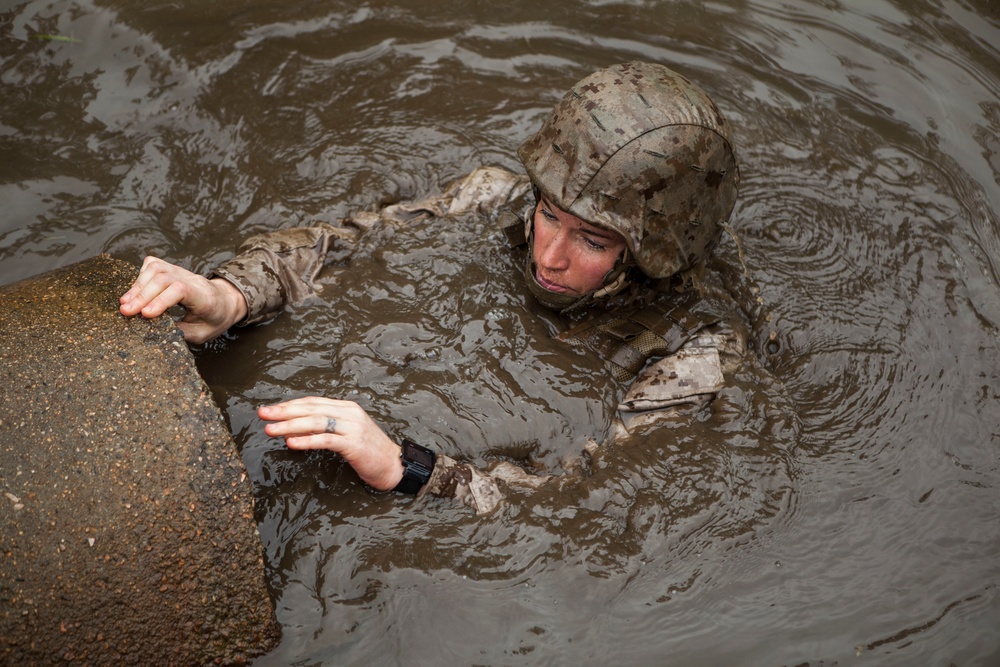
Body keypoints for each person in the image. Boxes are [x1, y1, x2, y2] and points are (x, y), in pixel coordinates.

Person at [119, 61, 746, 514]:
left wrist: (408, 468)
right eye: (549, 214)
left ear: (646, 257)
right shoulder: (492, 198)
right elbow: (342, 243)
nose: (547, 255)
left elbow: (589, 494)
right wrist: (231, 295)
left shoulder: (694, 351)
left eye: (592, 241)